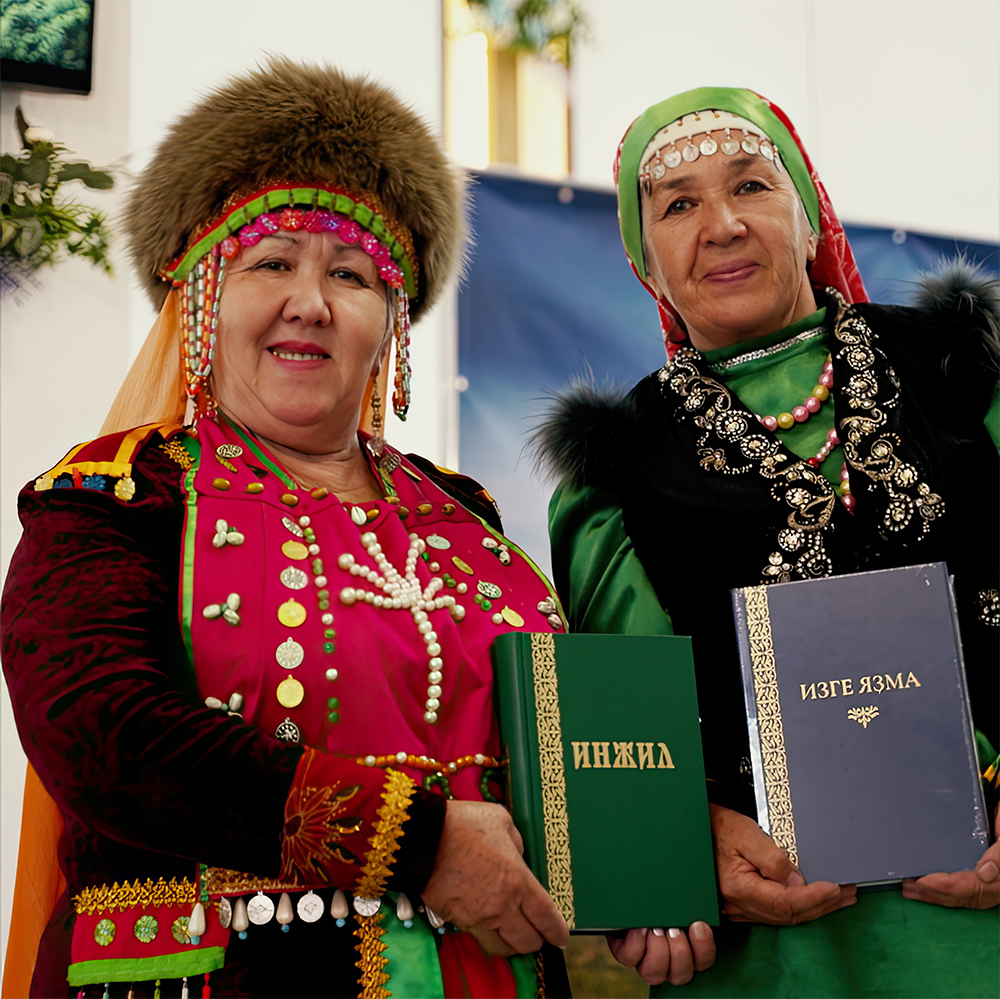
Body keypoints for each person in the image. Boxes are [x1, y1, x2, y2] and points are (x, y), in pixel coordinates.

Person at [0, 59, 591, 999]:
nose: (310, 302)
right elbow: (102, 732)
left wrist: (669, 868)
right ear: (199, 299)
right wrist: (417, 843)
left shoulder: (464, 514)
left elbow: (573, 750)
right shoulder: (116, 498)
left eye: (351, 275)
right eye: (271, 262)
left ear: (391, 321)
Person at [534, 86, 999, 995]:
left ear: (808, 210)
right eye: (678, 204)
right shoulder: (619, 468)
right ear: (647, 261)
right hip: (779, 949)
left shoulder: (964, 373)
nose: (722, 225)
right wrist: (682, 837)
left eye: (750, 185)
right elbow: (626, 743)